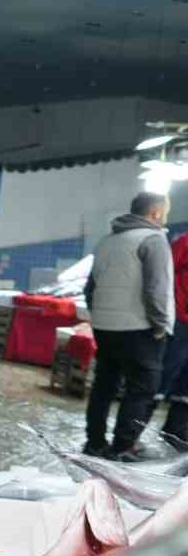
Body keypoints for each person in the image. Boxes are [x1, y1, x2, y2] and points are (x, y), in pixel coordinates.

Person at [85, 191, 175, 460]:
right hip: (139, 328)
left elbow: (90, 288)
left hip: (105, 326)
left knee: (104, 385)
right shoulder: (154, 239)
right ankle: (124, 446)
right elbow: (157, 289)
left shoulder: (106, 241)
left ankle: (95, 443)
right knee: (141, 389)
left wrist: (100, 316)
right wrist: (160, 324)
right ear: (156, 213)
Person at [162, 226, 188, 449]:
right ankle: (129, 439)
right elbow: (166, 276)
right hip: (180, 320)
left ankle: (176, 429)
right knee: (166, 374)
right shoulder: (184, 243)